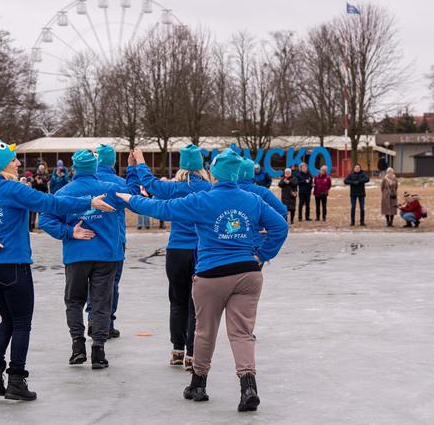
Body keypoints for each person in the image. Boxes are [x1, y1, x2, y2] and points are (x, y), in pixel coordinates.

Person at [116, 148, 288, 412]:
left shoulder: (202, 200)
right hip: (248, 273)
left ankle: (198, 384)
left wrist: (130, 198)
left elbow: (160, 208)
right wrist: (261, 253)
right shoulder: (253, 199)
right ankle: (248, 385)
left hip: (212, 274)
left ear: (216, 174)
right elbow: (280, 226)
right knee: (242, 333)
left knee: (205, 330)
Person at [0, 140, 111, 401]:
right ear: (2, 165)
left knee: (7, 320)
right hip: (13, 266)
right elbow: (51, 204)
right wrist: (90, 202)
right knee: (21, 323)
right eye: (13, 159)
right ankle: (17, 380)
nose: (18, 162)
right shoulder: (11, 189)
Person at [40, 149, 130, 369]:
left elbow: (45, 219)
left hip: (77, 255)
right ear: (95, 166)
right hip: (107, 255)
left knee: (74, 301)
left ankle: (77, 346)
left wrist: (69, 232)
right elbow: (134, 196)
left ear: (74, 167)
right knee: (101, 301)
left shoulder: (64, 192)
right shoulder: (112, 189)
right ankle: (98, 349)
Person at [131, 144, 212, 370]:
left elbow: (150, 184)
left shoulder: (174, 188)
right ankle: (192, 353)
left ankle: (177, 349)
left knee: (177, 301)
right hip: (199, 251)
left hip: (176, 251)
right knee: (196, 304)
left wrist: (139, 160)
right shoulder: (208, 189)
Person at [84, 144, 137, 340]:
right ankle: (106, 323)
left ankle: (92, 318)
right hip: (113, 240)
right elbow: (134, 197)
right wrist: (132, 169)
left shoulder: (87, 181)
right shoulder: (117, 183)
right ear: (113, 161)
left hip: (85, 238)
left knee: (91, 283)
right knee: (110, 283)